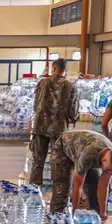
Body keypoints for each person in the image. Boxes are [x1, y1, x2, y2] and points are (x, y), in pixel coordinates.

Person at [50, 130, 112, 218]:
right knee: (62, 188)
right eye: (108, 170)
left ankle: (94, 218)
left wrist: (102, 212)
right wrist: (75, 213)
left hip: (85, 151)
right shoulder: (87, 156)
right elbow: (77, 187)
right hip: (64, 146)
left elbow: (103, 186)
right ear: (104, 160)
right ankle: (56, 217)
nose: (109, 172)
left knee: (94, 188)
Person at [29, 57, 79, 187]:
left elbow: (35, 106)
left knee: (37, 161)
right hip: (58, 129)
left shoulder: (42, 83)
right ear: (65, 70)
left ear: (54, 68)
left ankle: (34, 189)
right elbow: (73, 112)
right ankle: (57, 190)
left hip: (40, 126)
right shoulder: (69, 86)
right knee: (58, 161)